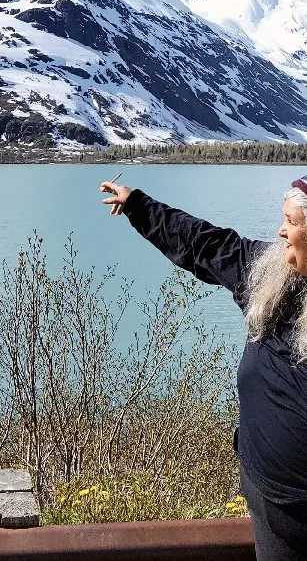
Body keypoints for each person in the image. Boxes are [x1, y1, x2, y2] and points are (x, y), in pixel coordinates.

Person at [100, 175, 307, 561]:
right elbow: (203, 243)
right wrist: (138, 206)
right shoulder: (272, 276)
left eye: (291, 222)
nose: (280, 231)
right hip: (272, 503)